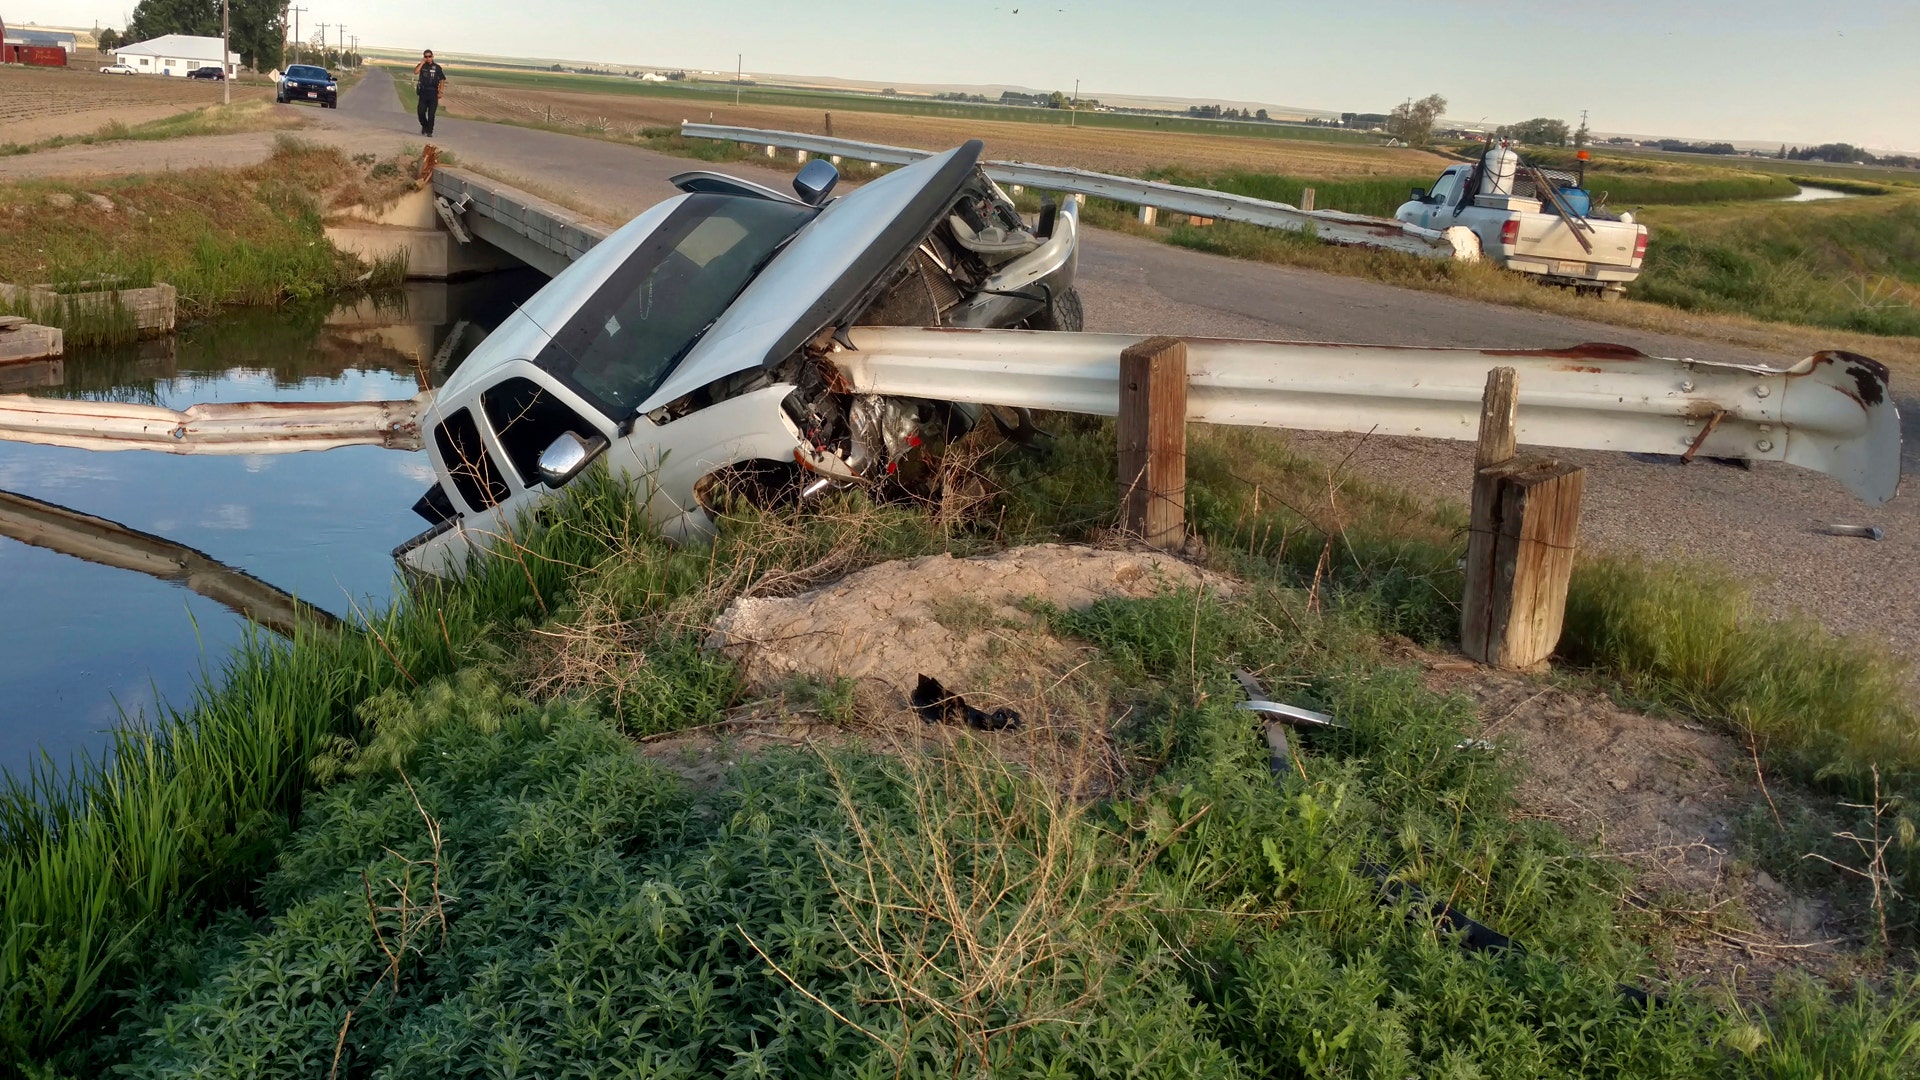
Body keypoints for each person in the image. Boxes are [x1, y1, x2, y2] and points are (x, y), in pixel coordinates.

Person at [413, 49, 448, 137]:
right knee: (421, 112)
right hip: (423, 92)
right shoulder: (422, 66)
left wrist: (441, 91)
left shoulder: (437, 67)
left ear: (432, 56)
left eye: (429, 56)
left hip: (433, 93)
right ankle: (425, 126)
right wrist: (421, 63)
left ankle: (429, 131)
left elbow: (442, 79)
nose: (428, 58)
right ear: (424, 57)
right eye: (426, 56)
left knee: (431, 114)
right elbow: (416, 72)